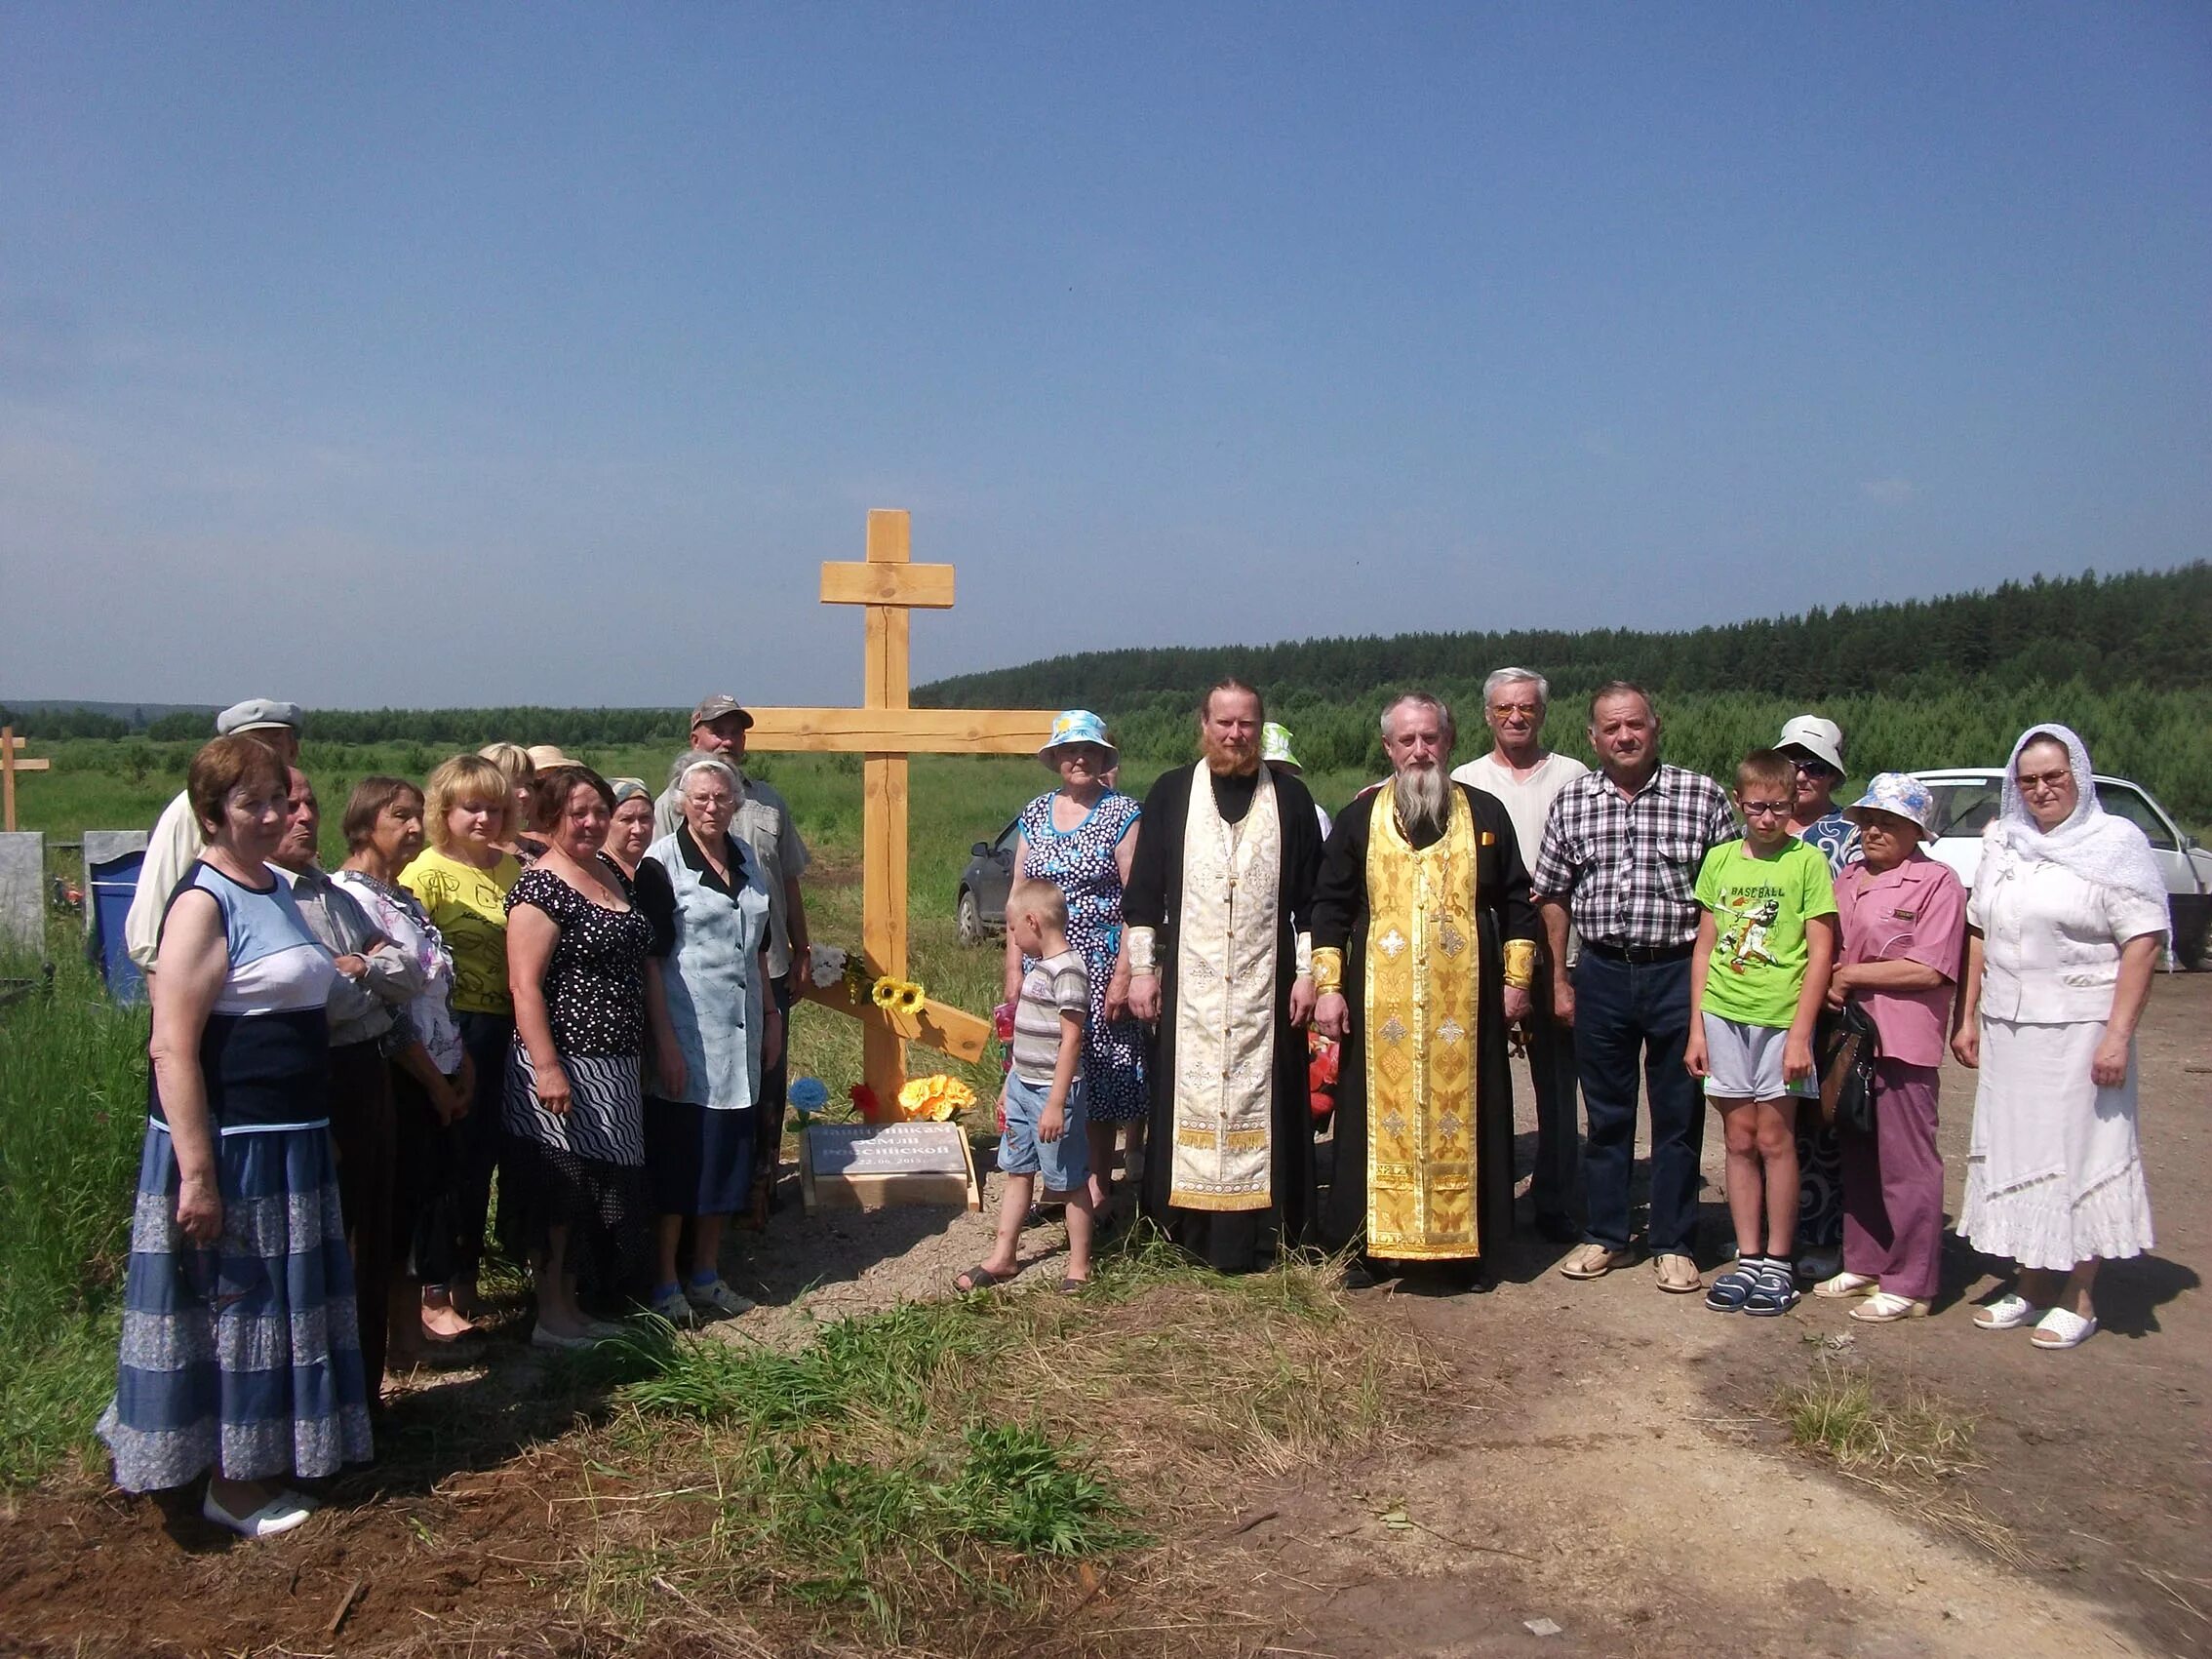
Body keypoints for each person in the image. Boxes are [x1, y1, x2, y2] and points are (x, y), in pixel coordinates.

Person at [98, 736, 373, 1538]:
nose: (273, 815)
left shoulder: (274, 888)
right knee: (239, 1310)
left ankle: (266, 1456)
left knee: (284, 1312)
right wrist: (197, 1173)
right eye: (251, 803)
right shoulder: (202, 901)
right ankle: (231, 1485)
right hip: (236, 1146)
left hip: (292, 1138)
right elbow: (171, 1045)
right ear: (212, 812)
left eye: (279, 800)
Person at [1312, 693, 1538, 1286]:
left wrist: (1517, 983)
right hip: (1378, 1007)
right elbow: (1330, 906)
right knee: (1367, 1122)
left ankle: (1461, 1251)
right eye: (1407, 740)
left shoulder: (1484, 814)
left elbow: (1518, 903)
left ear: (1449, 741)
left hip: (1465, 1011)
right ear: (1388, 747)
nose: (1420, 751)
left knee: (1472, 1119)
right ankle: (1366, 1248)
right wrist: (1329, 989)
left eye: (1430, 738)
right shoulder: (1360, 819)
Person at [1952, 725, 2164, 1351]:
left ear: (2079, 775)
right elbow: (1978, 929)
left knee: (2079, 1153)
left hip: (2081, 1028)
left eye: (2054, 777)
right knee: (2021, 1150)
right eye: (2029, 780)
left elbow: (2143, 942)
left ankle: (2081, 1295)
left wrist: (2117, 1037)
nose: (2042, 789)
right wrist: (1968, 1015)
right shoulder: (2004, 843)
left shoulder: (2116, 844)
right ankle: (2032, 1282)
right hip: (2010, 1026)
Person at [1531, 683, 1737, 1293]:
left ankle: (1674, 1242)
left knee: (1679, 1112)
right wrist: (1560, 979)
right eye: (1611, 728)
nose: (1624, 737)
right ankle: (1607, 1236)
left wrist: (1710, 990)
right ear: (1593, 738)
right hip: (1601, 971)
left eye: (1635, 725)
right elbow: (1553, 895)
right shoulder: (1574, 800)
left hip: (1679, 970)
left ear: (1656, 725)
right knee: (1608, 1114)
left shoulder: (1702, 797)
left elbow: (1727, 898)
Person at [1121, 679, 1325, 1273]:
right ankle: (1182, 1233)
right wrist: (1142, 971)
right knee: (1184, 1096)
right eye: (1224, 724)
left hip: (1268, 984)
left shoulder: (1290, 800)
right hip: (1192, 990)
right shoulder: (1170, 794)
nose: (1235, 735)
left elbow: (1311, 903)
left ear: (1261, 728)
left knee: (1272, 1100)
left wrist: (1310, 974)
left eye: (1247, 725)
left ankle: (1270, 1236)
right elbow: (1144, 895)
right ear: (1203, 725)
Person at [269, 768, 426, 1401]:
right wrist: (362, 978)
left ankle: (364, 1397)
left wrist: (359, 969)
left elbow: (407, 968)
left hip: (369, 1071)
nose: (304, 815)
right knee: (325, 1240)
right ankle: (320, 1401)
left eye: (309, 802)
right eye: (289, 803)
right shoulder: (266, 897)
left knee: (372, 1233)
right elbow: (320, 1000)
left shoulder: (331, 896)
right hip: (316, 1076)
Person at [502, 763, 654, 1347]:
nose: (592, 822)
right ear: (549, 819)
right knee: (559, 1189)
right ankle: (550, 1314)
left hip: (614, 1063)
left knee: (598, 1187)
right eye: (578, 813)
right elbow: (525, 985)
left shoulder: (609, 874)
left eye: (600, 811)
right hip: (562, 1063)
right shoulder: (539, 887)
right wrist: (547, 1067)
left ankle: (576, 1303)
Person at [1683, 750, 1838, 1318]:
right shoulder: (1721, 861)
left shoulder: (1807, 863)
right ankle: (1748, 1254)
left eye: (1777, 807)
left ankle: (1778, 1259)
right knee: (1738, 1138)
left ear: (1792, 803)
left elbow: (1821, 953)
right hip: (1724, 1013)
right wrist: (1696, 1027)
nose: (1767, 818)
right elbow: (1705, 946)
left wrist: (1802, 1033)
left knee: (1776, 1139)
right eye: (1756, 807)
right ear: (1739, 802)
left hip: (1778, 1019)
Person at [331, 777, 476, 1365]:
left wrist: (461, 1060)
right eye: (400, 816)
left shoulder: (398, 894)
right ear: (366, 823)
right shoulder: (352, 898)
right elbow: (385, 1008)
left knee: (419, 1202)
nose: (415, 827)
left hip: (439, 1066)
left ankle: (408, 1335)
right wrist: (435, 1082)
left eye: (419, 815)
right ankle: (393, 1342)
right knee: (390, 1213)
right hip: (399, 1075)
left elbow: (432, 985)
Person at [652, 696, 812, 1218]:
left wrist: (802, 946)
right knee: (699, 1096)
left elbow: (786, 879)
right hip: (694, 983)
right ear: (694, 735)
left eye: (736, 732)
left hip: (767, 969)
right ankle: (701, 1204)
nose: (727, 741)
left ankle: (758, 1191)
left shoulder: (767, 803)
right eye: (716, 731)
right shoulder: (668, 804)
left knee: (767, 1082)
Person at [1814, 773, 1965, 1323]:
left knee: (1907, 1160)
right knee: (1856, 1146)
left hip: (1901, 1037)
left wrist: (1850, 974)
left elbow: (1930, 966)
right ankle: (1865, 1258)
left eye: (1890, 822)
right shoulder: (1848, 878)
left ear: (1915, 829)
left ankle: (1911, 1279)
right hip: (1849, 1035)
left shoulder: (1937, 882)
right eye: (1869, 821)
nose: (1875, 830)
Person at [1451, 667, 1591, 1242]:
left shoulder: (1574, 776)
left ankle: (1556, 1196)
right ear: (1487, 714)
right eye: (1504, 708)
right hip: (1485, 951)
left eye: (1527, 707)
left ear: (1542, 713)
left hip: (1562, 950)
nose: (1516, 717)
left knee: (1558, 1078)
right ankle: (1482, 1191)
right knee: (1478, 1073)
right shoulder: (1464, 779)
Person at [638, 756, 779, 1323]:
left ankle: (707, 1274)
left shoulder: (745, 858)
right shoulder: (661, 864)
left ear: (735, 803)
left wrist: (769, 1014)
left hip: (741, 1030)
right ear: (680, 802)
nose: (712, 807)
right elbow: (650, 960)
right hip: (687, 1031)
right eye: (700, 798)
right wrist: (665, 1043)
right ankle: (665, 1281)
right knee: (680, 1159)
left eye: (722, 798)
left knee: (725, 1156)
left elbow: (760, 946)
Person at [1003, 710, 1146, 1218]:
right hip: (1039, 968)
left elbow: (1138, 901)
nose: (1078, 758)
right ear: (1056, 759)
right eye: (1069, 751)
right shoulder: (1035, 812)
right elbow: (1016, 897)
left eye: (1088, 751)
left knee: (1097, 1078)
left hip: (1100, 964)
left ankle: (1097, 1187)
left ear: (1103, 758)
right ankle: (1058, 1183)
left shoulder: (1123, 813)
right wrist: (1014, 970)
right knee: (1040, 1071)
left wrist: (1127, 973)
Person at [400, 754, 524, 1335]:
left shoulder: (514, 869)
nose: (485, 818)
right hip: (454, 1031)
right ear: (443, 811)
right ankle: (433, 1290)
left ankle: (470, 1274)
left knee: (486, 1158)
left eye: (497, 808)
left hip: (512, 1028)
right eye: (473, 807)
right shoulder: (423, 874)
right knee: (448, 1158)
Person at [959, 881, 1097, 1293]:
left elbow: (1071, 1041)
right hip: (1023, 1088)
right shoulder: (1039, 968)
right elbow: (1026, 1035)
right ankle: (1004, 1256)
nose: (1012, 938)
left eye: (1015, 929)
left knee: (1068, 1179)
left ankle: (1079, 1266)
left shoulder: (1068, 972)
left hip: (1053, 1095)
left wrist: (1056, 1103)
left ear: (1034, 922)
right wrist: (1010, 1082)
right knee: (1016, 1171)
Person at [123, 698, 302, 977]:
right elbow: (151, 924)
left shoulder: (296, 803)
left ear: (293, 749)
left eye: (273, 743)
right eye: (249, 746)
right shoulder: (193, 807)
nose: (261, 756)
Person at [1777, 713, 1858, 1282]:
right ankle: (1775, 1230)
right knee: (1773, 1121)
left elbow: (1861, 919)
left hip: (1826, 1001)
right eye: (1792, 764)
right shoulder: (1758, 831)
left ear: (1831, 776)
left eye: (1814, 767)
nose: (1801, 775)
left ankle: (1828, 1236)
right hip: (1763, 1000)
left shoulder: (1852, 837)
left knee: (1825, 1121)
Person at [1263, 722, 1333, 838]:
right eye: (1265, 769)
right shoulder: (1243, 815)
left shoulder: (1314, 815)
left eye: (1279, 769)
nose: (1271, 776)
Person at [478, 742, 541, 861]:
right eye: (514, 784)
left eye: (529, 784)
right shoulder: (464, 856)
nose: (525, 794)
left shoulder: (542, 851)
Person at [603, 777, 656, 879]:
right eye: (626, 819)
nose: (638, 830)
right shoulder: (598, 874)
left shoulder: (654, 872)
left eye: (645, 818)